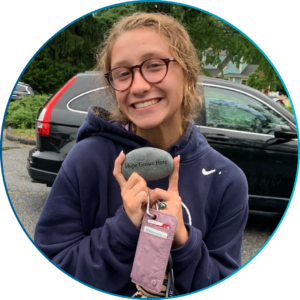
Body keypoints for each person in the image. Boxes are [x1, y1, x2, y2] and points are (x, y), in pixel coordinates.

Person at [34, 12, 249, 296]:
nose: (138, 86)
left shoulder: (226, 180)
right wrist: (122, 230)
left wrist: (184, 243)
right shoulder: (86, 160)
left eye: (155, 65)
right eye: (123, 73)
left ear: (187, 72)